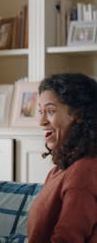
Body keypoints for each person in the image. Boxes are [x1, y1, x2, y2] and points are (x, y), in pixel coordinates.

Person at [28, 73, 97, 242]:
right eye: (40, 112)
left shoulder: (84, 171)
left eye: (50, 111)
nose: (41, 121)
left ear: (79, 115)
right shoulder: (60, 169)